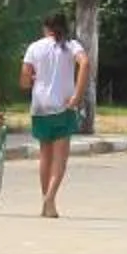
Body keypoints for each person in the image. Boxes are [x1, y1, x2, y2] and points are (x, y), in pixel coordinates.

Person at [21, 12, 92, 219]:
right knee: (60, 157)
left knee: (45, 154)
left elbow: (24, 80)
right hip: (63, 105)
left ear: (45, 27)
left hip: (40, 106)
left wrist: (34, 78)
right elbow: (85, 63)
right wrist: (78, 94)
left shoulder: (34, 47)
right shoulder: (71, 45)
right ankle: (50, 198)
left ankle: (45, 199)